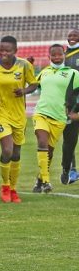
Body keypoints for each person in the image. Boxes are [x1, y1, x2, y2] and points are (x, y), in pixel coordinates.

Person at [0, 35, 37, 203]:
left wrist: (24, 91)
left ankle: (13, 188)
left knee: (16, 153)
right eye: (1, 50)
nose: (4, 53)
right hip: (0, 113)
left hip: (19, 115)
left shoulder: (24, 65)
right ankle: (5, 185)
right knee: (7, 150)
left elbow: (33, 84)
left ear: (15, 51)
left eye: (8, 50)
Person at [32, 44, 79, 192]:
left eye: (59, 54)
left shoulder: (73, 73)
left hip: (59, 117)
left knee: (49, 152)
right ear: (49, 56)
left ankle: (39, 180)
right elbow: (32, 86)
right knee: (42, 142)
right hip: (40, 113)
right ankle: (46, 182)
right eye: (54, 55)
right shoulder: (44, 72)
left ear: (64, 55)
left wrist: (75, 112)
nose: (57, 57)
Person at [60, 28, 79, 184]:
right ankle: (72, 170)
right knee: (70, 138)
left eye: (75, 35)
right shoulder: (63, 55)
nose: (71, 38)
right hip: (69, 103)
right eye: (70, 36)